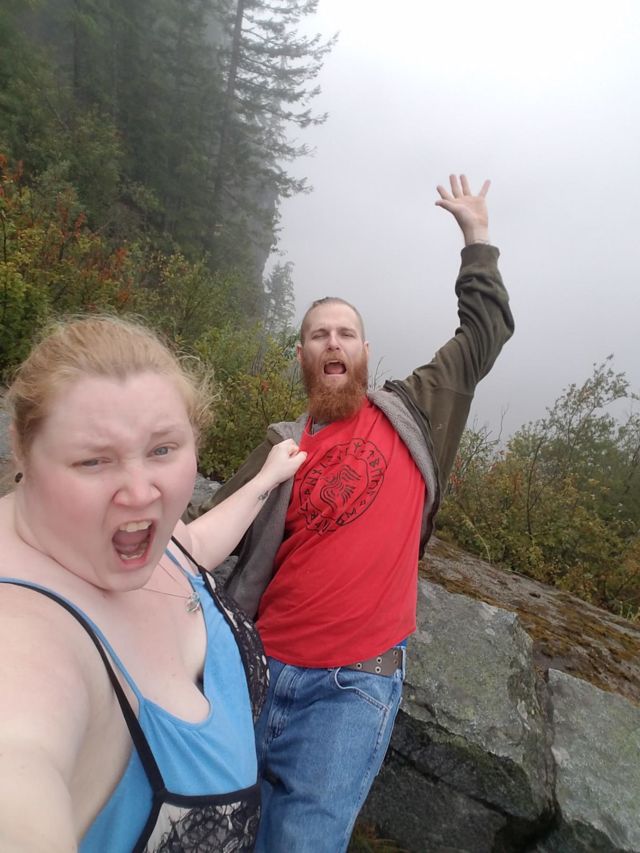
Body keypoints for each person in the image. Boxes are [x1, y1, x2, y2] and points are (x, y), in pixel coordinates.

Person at [193, 174, 515, 852]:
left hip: (350, 691)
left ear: (365, 352)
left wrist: (476, 236)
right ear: (304, 356)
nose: (333, 342)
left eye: (346, 333)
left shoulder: (415, 410)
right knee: (215, 833)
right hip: (255, 672)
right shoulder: (281, 446)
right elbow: (204, 544)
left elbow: (484, 331)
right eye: (319, 334)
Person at [0, 315, 306, 852]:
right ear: (22, 450)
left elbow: (193, 547)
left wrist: (268, 478)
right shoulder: (23, 636)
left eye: (163, 449)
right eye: (93, 460)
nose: (141, 493)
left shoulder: (141, 544)